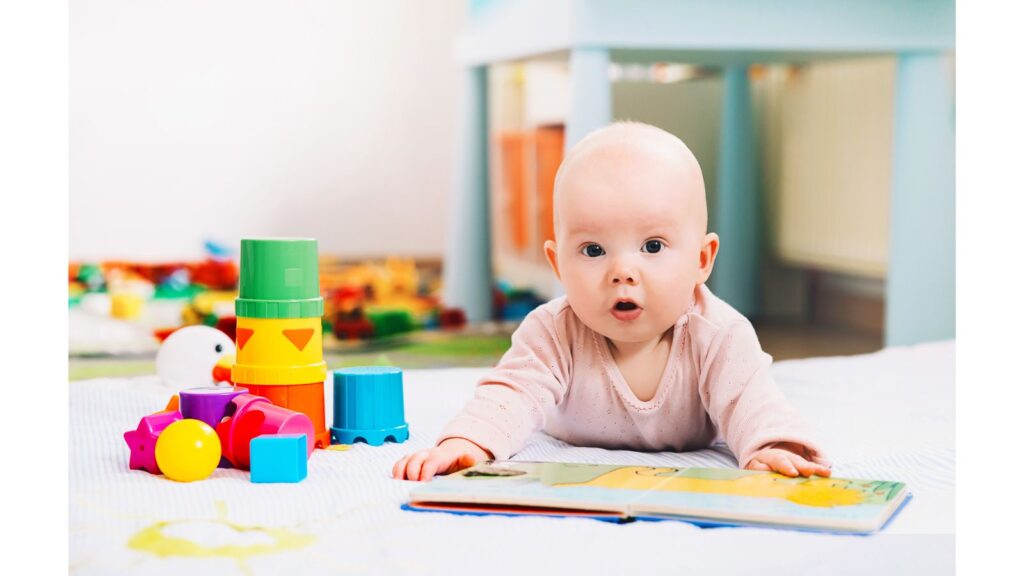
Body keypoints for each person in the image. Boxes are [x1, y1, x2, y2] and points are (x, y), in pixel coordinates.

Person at [393, 121, 831, 481]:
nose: (622, 271)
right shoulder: (553, 330)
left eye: (653, 247)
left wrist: (774, 446)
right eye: (593, 250)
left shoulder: (719, 335)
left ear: (702, 259)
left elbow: (750, 399)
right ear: (558, 264)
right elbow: (512, 392)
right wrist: (469, 442)